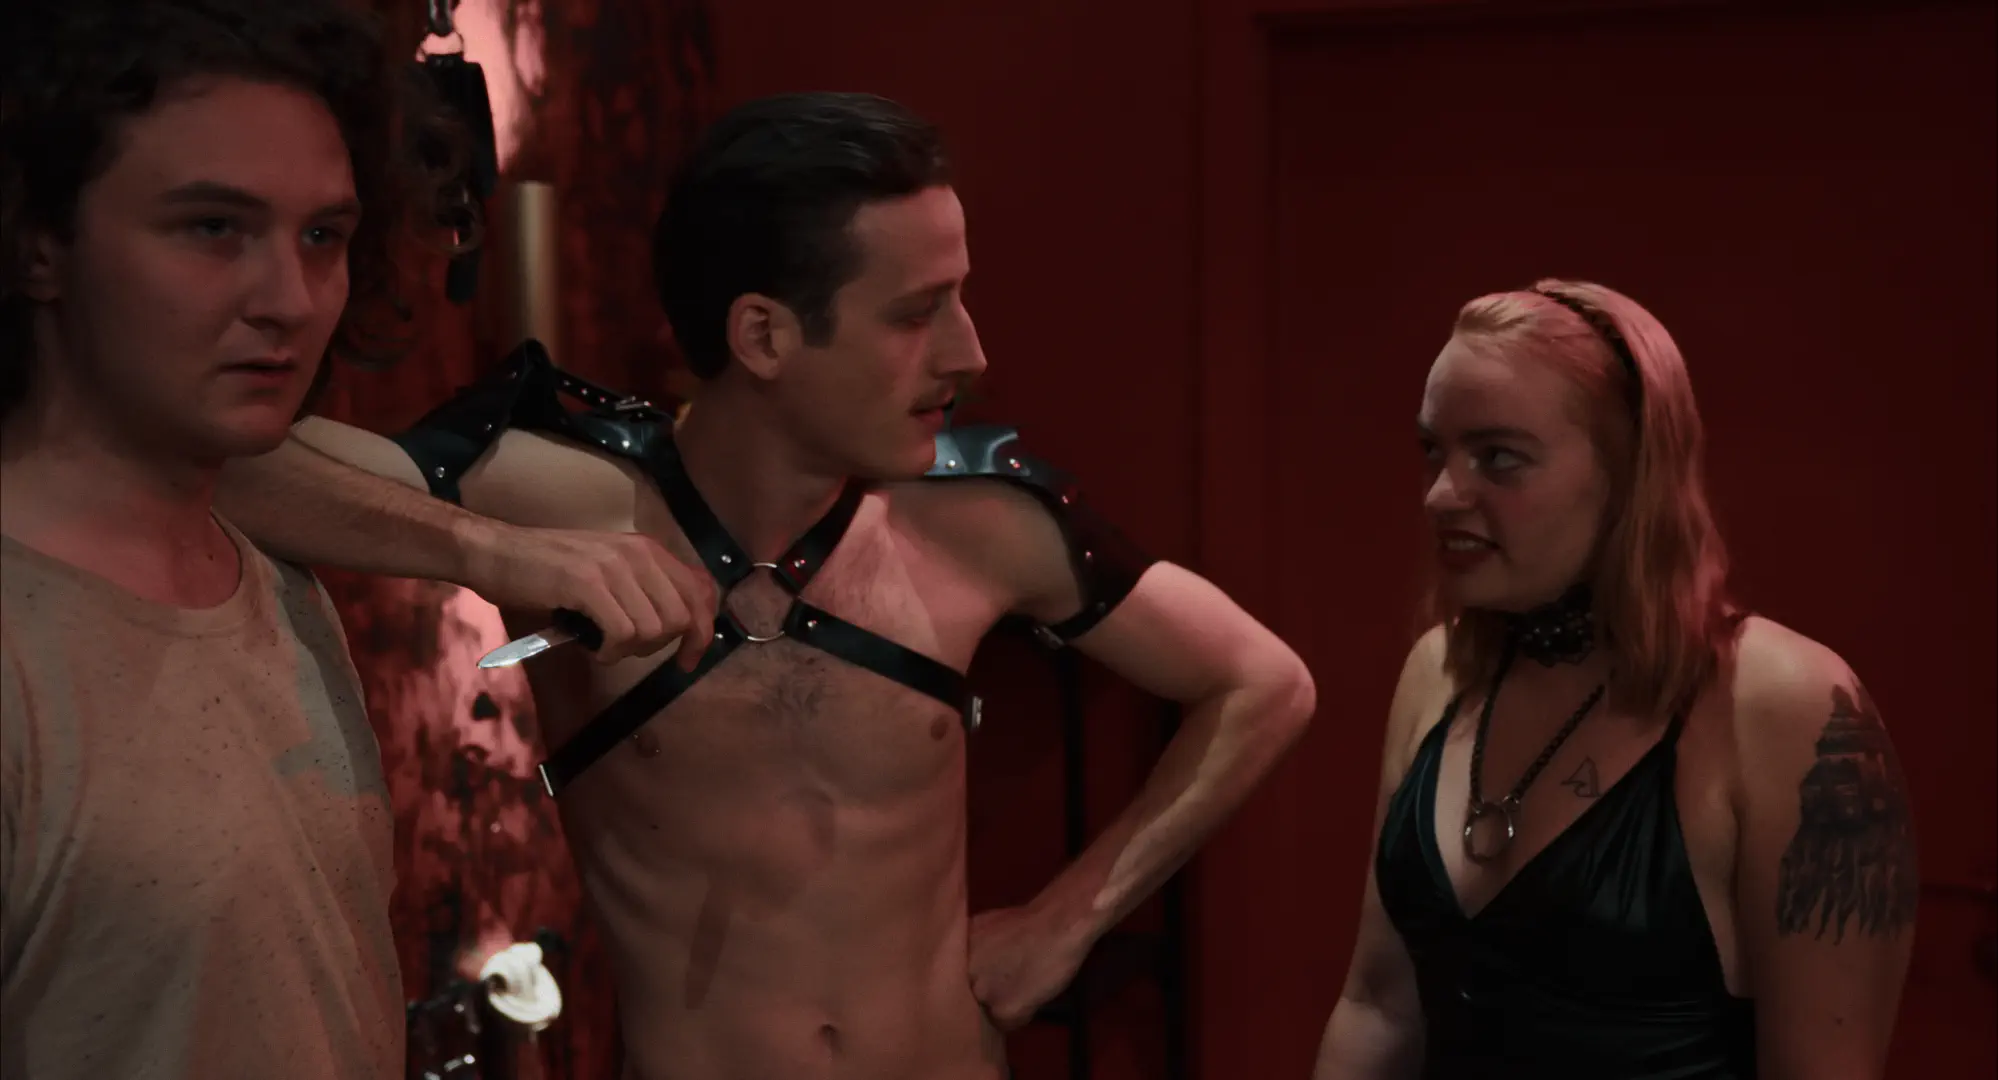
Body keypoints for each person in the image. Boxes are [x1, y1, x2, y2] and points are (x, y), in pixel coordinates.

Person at [212, 90, 1319, 1080]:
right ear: (763, 334)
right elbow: (231, 471)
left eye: (960, 300)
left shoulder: (979, 519)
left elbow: (1264, 683)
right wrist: (506, 557)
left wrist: (1068, 919)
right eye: (916, 313)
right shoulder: (558, 492)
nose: (968, 352)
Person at [0, 2, 711, 1076]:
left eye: (322, 237)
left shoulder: (271, 587)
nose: (291, 299)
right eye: (213, 228)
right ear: (39, 243)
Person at [1312, 280, 1916, 1079]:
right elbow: (1379, 1005)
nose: (1441, 494)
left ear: (1631, 474)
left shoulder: (1782, 703)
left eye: (1498, 457)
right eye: (1434, 451)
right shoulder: (1440, 669)